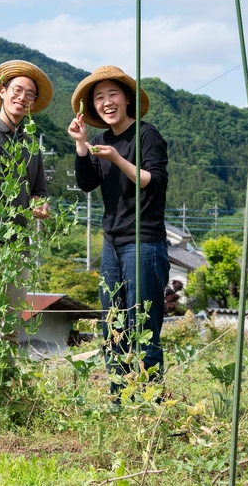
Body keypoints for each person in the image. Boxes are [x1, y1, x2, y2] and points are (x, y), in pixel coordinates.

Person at [67, 65, 169, 394]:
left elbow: (155, 183)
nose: (107, 102)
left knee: (144, 324)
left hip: (144, 242)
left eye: (113, 94)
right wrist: (82, 145)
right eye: (99, 97)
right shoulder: (99, 141)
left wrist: (118, 160)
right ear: (93, 107)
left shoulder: (146, 135)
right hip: (111, 244)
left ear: (126, 99)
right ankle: (119, 398)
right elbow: (86, 183)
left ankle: (149, 401)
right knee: (113, 325)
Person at [0, 60, 53, 325]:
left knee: (11, 324)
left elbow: (39, 191)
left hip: (18, 244)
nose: (22, 97)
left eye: (29, 94)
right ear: (2, 92)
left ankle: (8, 369)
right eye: (17, 90)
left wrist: (41, 205)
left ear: (33, 104)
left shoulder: (30, 145)